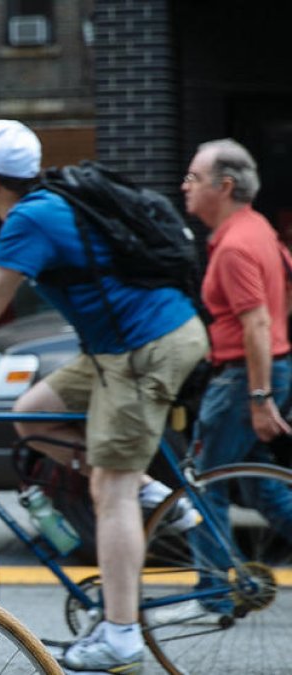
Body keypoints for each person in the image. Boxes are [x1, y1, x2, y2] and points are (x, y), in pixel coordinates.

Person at [0, 119, 208, 674]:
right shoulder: (42, 206)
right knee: (30, 413)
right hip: (116, 347)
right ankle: (154, 495)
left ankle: (122, 637)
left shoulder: (33, 219)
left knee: (109, 487)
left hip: (148, 346)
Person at [154, 138, 292, 622]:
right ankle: (214, 589)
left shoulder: (236, 245)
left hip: (241, 378)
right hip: (263, 369)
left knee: (204, 482)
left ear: (225, 186)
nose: (184, 186)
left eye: (193, 177)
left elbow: (256, 323)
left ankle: (212, 595)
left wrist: (258, 395)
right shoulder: (259, 230)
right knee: (256, 485)